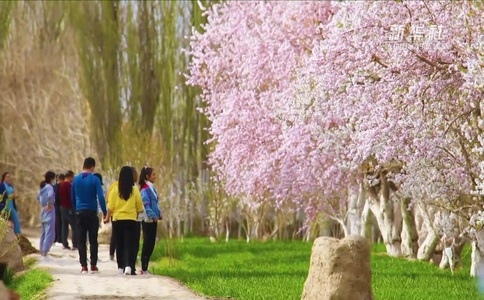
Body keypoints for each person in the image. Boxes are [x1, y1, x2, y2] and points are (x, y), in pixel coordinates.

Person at [103, 166, 143, 276]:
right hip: (131, 220)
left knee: (119, 243)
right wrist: (135, 215)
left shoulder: (115, 190)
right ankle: (128, 266)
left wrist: (107, 218)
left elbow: (110, 207)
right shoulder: (135, 190)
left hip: (117, 220)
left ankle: (120, 267)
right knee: (129, 244)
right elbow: (139, 206)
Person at [71, 157, 106, 274]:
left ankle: (83, 266)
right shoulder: (95, 179)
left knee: (81, 240)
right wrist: (105, 212)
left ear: (83, 166)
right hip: (91, 212)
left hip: (80, 212)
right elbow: (100, 197)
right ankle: (93, 265)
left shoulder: (75, 180)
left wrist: (75, 209)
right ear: (92, 167)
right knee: (93, 240)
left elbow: (72, 197)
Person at [138, 166, 162, 275]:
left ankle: (145, 266)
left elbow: (156, 203)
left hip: (154, 220)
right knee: (147, 243)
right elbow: (146, 205)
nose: (155, 176)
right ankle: (143, 267)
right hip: (148, 220)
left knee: (152, 243)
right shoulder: (144, 190)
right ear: (147, 176)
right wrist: (153, 215)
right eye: (153, 174)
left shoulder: (152, 188)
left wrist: (159, 213)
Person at [37, 171, 57, 258]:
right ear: (52, 178)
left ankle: (42, 250)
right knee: (50, 233)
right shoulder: (50, 187)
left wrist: (44, 204)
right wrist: (49, 205)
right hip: (49, 211)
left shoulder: (42, 187)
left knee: (43, 233)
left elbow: (38, 197)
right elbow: (49, 196)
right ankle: (45, 251)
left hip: (43, 210)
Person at [59, 171, 77, 250]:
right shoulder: (68, 186)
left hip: (62, 207)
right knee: (74, 226)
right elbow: (71, 197)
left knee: (64, 226)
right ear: (70, 177)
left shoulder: (61, 185)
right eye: (72, 177)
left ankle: (64, 243)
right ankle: (75, 244)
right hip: (69, 208)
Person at [1, 172, 21, 237]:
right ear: (4, 178)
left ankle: (17, 235)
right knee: (7, 222)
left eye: (9, 176)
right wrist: (10, 196)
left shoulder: (10, 186)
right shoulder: (2, 186)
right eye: (7, 176)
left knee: (16, 220)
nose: (8, 178)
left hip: (11, 206)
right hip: (5, 206)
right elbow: (2, 196)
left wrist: (15, 196)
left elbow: (13, 194)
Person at [53, 174, 65, 245]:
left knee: (57, 223)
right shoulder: (58, 187)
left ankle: (57, 238)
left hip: (55, 206)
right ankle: (59, 238)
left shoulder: (53, 187)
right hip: (58, 206)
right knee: (59, 222)